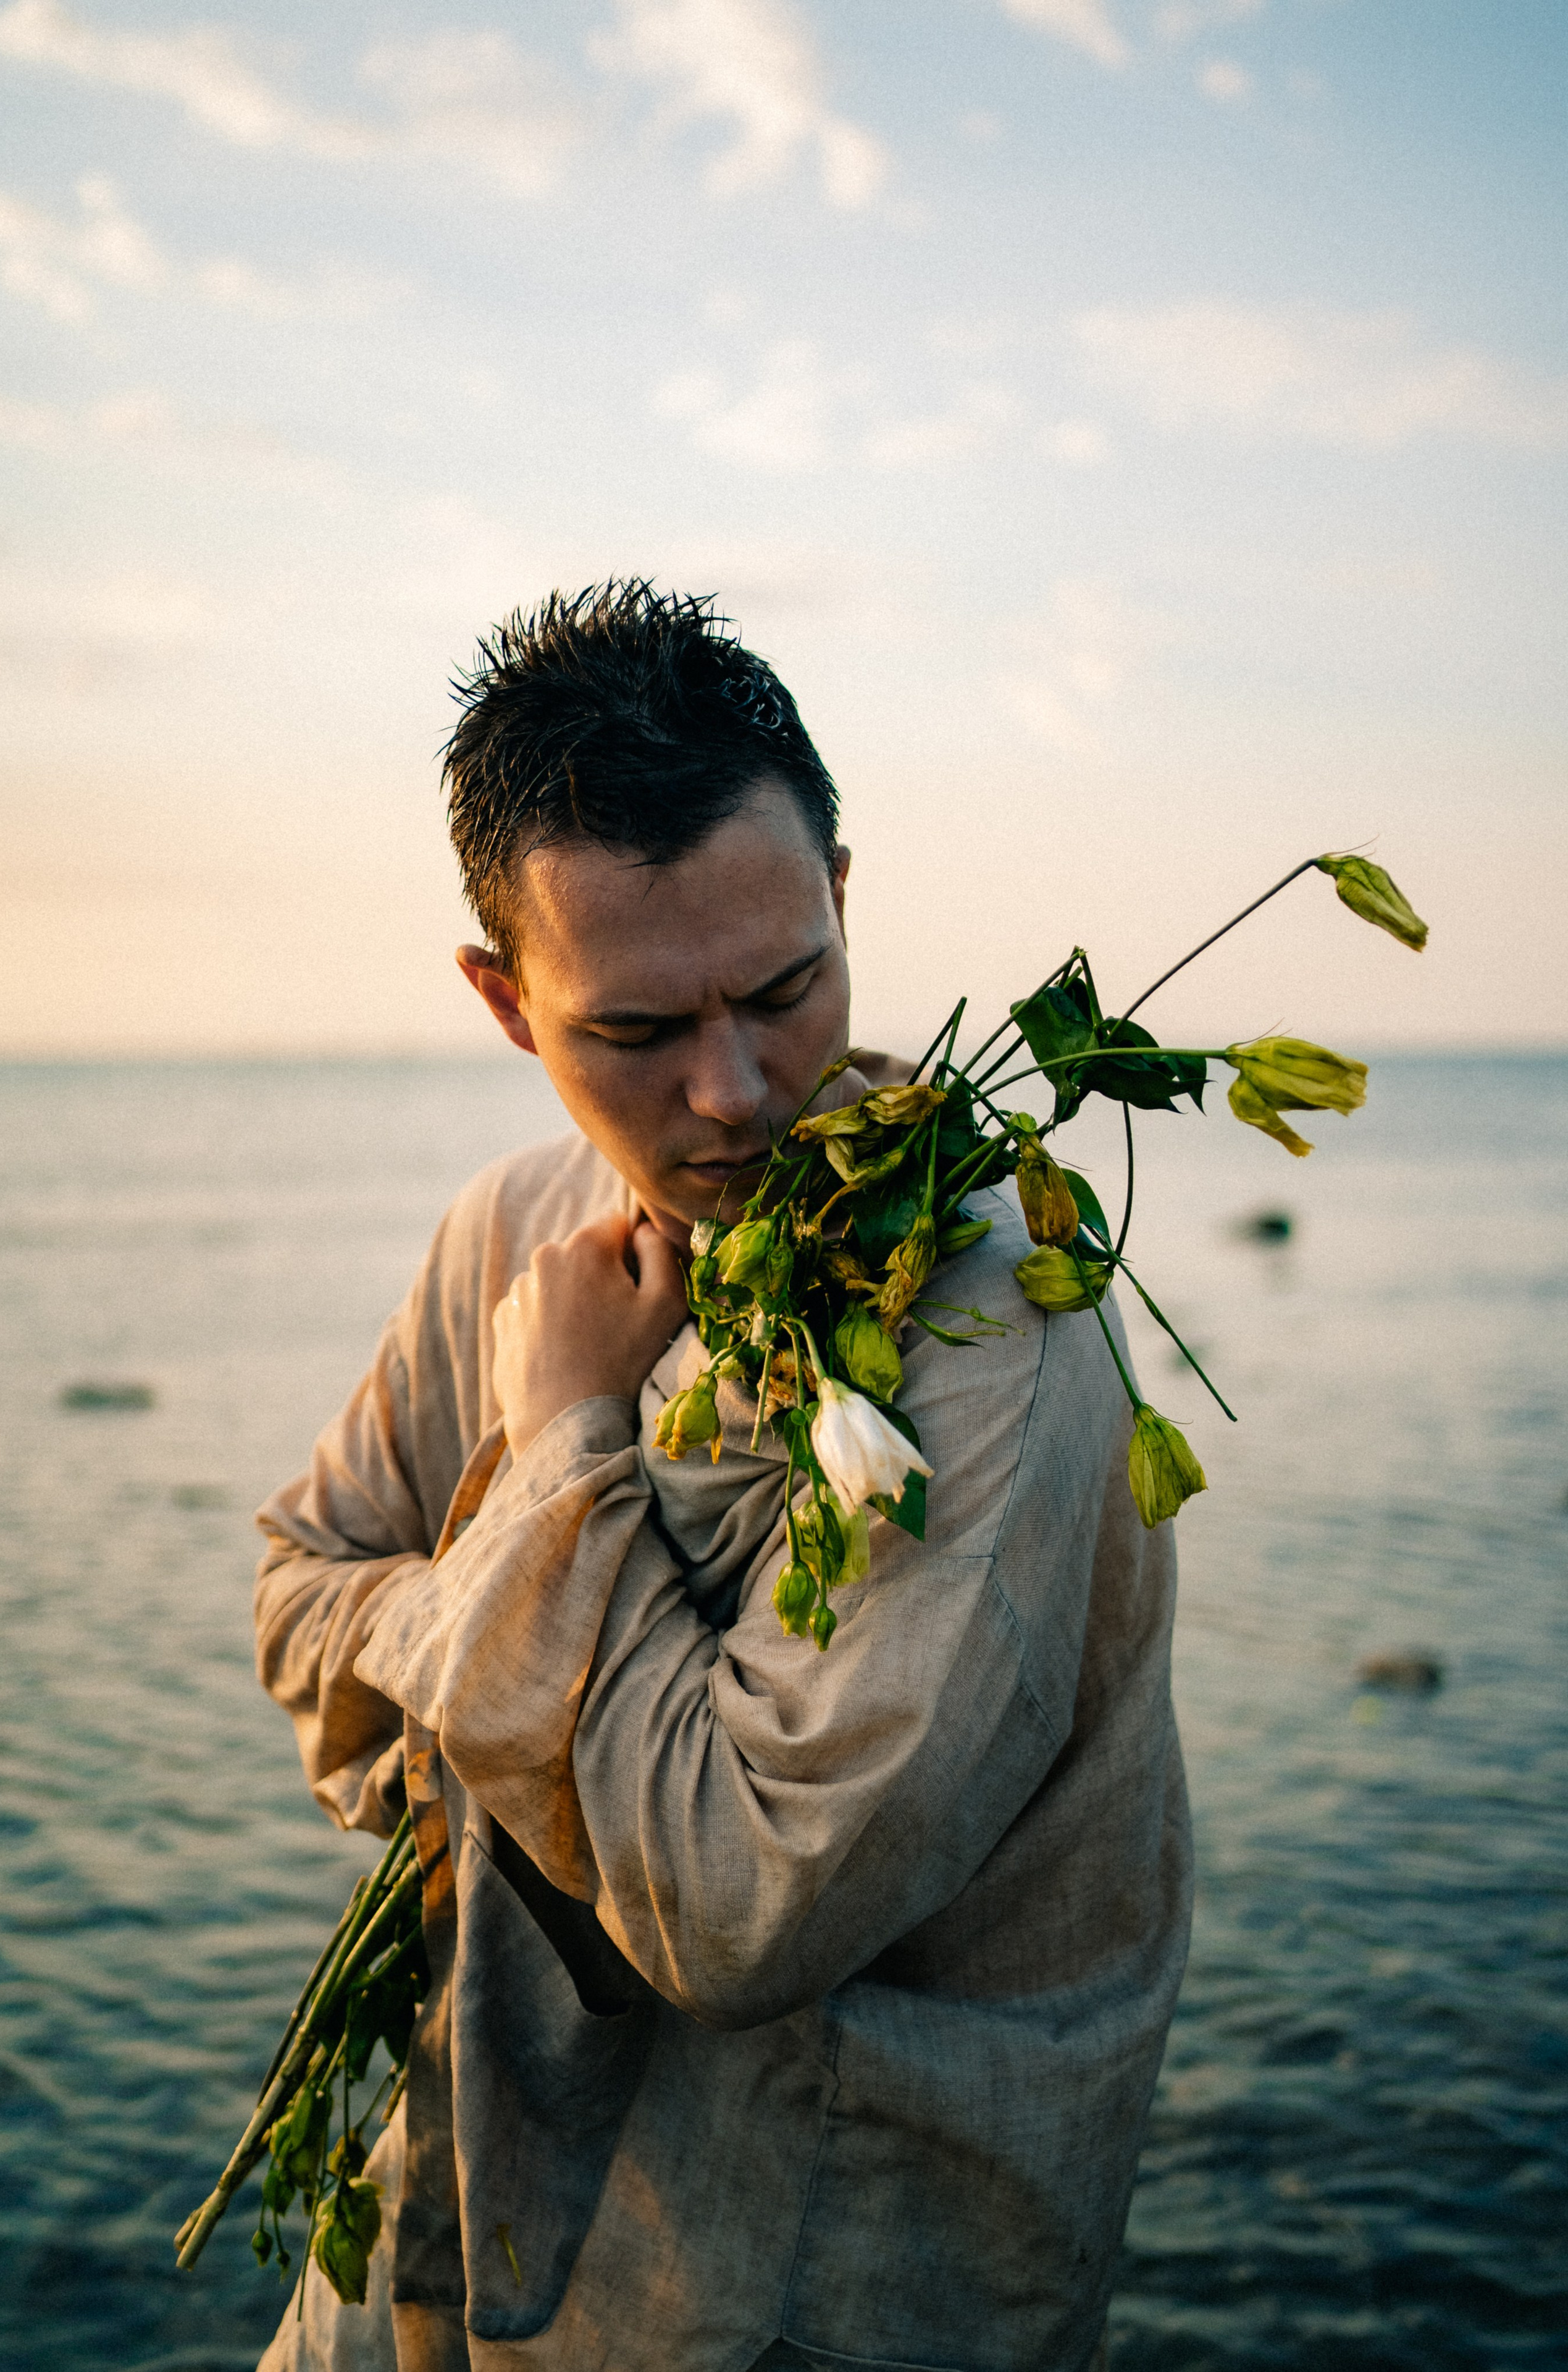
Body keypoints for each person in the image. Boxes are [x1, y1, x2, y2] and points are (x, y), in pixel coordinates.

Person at [253, 581, 1191, 2372]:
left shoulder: (994, 1331)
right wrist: (485, 1622)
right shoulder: (510, 1241)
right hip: (463, 2193)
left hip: (816, 2272)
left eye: (787, 988)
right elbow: (297, 1586)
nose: (737, 1093)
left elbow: (733, 1906)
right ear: (506, 1002)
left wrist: (561, 1453)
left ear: (846, 892)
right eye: (636, 1033)